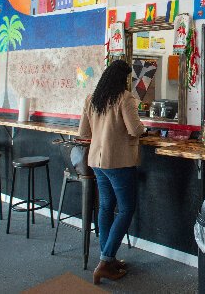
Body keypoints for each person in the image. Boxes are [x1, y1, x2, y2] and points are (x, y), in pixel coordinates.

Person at [78, 60, 145, 285]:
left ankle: (107, 258)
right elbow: (135, 129)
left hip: (96, 160)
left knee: (106, 207)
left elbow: (83, 131)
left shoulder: (92, 98)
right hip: (118, 161)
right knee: (126, 209)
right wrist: (145, 129)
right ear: (123, 79)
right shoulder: (125, 98)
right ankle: (106, 261)